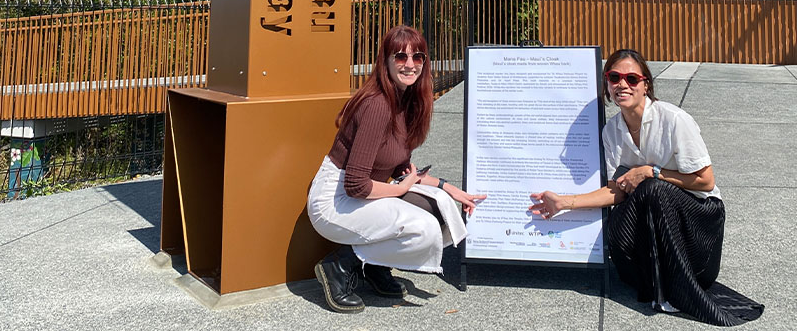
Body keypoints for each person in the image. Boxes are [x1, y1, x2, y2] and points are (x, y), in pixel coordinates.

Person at [529, 49, 763, 326]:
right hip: (657, 230)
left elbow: (705, 181)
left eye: (631, 78)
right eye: (614, 77)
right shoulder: (612, 131)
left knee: (652, 188)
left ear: (646, 84)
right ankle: (655, 278)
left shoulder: (674, 120)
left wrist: (651, 172)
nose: (622, 84)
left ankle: (676, 288)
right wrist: (564, 203)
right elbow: (616, 190)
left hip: (698, 228)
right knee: (624, 213)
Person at [307, 24, 486, 314]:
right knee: (424, 228)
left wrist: (450, 189)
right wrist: (402, 188)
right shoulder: (377, 105)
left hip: (363, 195)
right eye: (401, 56)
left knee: (439, 208)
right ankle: (339, 265)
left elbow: (401, 167)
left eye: (417, 57)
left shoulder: (408, 101)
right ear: (386, 61)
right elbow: (356, 184)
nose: (410, 64)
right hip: (335, 200)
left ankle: (375, 266)